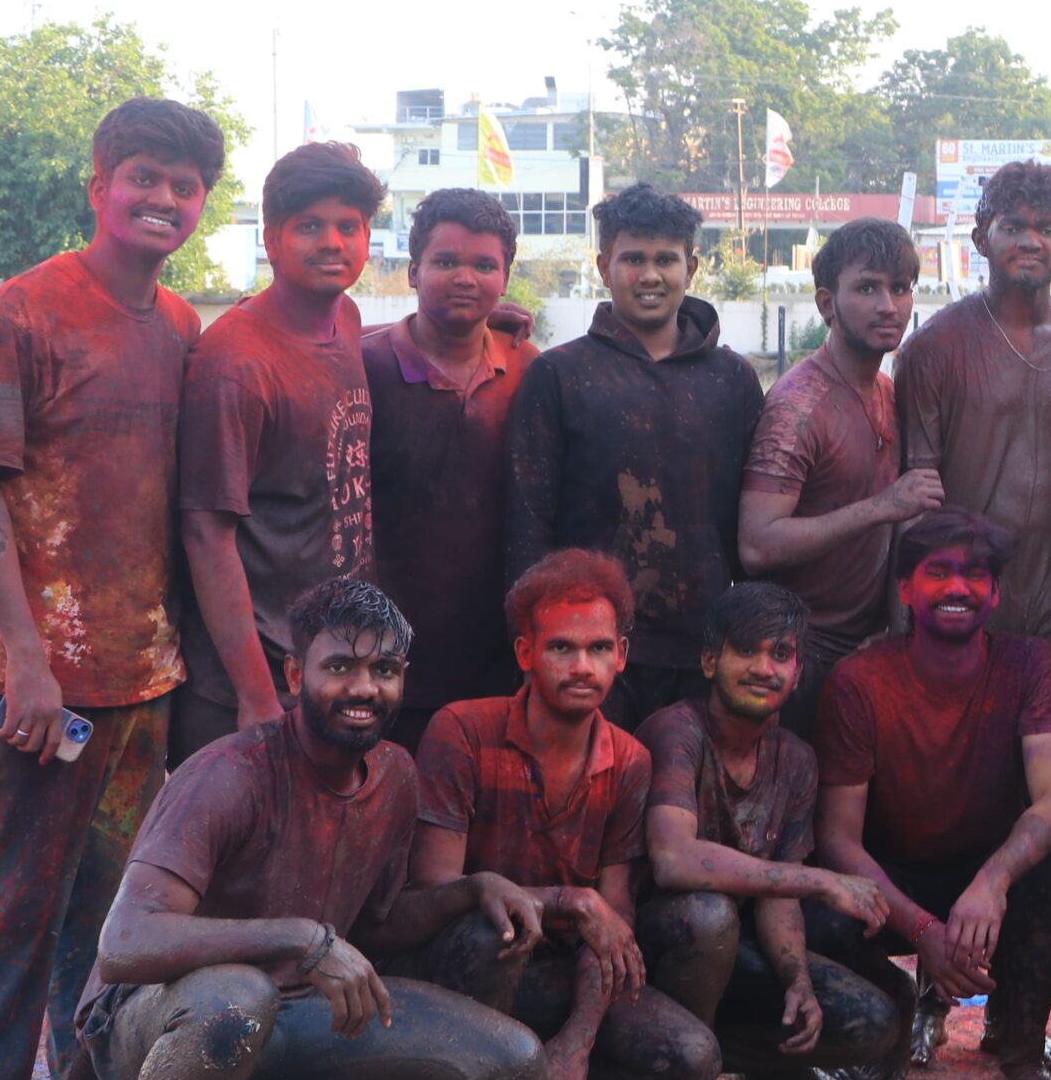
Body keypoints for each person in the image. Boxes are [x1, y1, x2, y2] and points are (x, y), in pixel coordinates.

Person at [0, 97, 228, 1080]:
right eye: (143, 177)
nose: (162, 200)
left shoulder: (181, 325)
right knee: (9, 915)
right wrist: (24, 660)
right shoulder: (21, 313)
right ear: (99, 183)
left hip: (142, 677)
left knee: (107, 921)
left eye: (184, 186)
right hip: (33, 685)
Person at [76, 578, 547, 1080]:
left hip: (295, 1019)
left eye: (384, 669)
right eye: (341, 666)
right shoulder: (230, 773)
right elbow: (123, 944)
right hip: (154, 1029)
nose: (364, 688)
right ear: (296, 674)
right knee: (237, 994)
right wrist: (299, 937)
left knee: (514, 1065)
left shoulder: (394, 774)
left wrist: (474, 889)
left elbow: (379, 927)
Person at [407, 549, 739, 1080]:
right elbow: (435, 889)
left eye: (598, 648)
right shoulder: (463, 732)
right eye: (561, 648)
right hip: (466, 974)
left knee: (694, 1056)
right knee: (492, 927)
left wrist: (576, 1044)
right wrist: (567, 900)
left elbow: (612, 920)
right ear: (525, 653)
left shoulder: (630, 760)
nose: (582, 666)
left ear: (622, 655)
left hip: (557, 974)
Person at [813, 508, 1051, 1080]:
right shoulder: (860, 681)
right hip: (891, 875)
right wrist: (923, 932)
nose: (958, 587)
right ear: (905, 589)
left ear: (996, 592)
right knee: (822, 909)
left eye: (975, 574)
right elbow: (837, 839)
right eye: (938, 572)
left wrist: (992, 881)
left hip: (986, 872)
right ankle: (895, 1000)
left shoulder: (1030, 664)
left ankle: (1020, 1053)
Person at [635, 582, 906, 1080]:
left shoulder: (796, 760)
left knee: (870, 1023)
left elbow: (776, 896)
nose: (764, 668)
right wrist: (821, 881)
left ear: (798, 673)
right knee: (708, 915)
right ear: (710, 662)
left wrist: (796, 980)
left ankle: (750, 1065)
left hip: (730, 952)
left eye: (780, 654)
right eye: (746, 650)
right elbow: (672, 858)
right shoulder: (678, 732)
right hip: (655, 954)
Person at [504, 183, 764, 730]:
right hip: (589, 653)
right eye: (633, 259)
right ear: (604, 266)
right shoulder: (559, 375)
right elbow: (527, 525)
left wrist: (745, 638)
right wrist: (538, 645)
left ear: (692, 267)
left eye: (666, 260)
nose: (650, 275)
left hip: (701, 651)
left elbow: (747, 525)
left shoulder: (732, 380)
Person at [174, 141, 385, 765]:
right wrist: (255, 696)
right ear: (270, 238)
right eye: (309, 226)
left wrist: (470, 324)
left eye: (349, 226)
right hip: (252, 685)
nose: (332, 243)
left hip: (328, 663)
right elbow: (206, 534)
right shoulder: (235, 365)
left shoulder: (345, 318)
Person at [894, 160, 1051, 699]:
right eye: (1013, 226)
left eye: (1047, 228)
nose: (1030, 241)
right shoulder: (933, 350)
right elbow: (912, 508)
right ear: (982, 239)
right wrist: (902, 627)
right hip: (961, 612)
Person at [740, 218, 943, 737]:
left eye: (900, 288)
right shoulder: (797, 407)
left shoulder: (888, 391)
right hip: (795, 656)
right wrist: (882, 506)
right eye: (868, 288)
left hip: (868, 649)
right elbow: (757, 545)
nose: (889, 306)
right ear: (827, 304)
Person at [363, 188, 542, 751]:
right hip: (382, 649)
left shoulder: (528, 369)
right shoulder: (364, 365)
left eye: (484, 266)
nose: (465, 278)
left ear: (505, 278)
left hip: (496, 654)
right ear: (412, 271)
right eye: (445, 262)